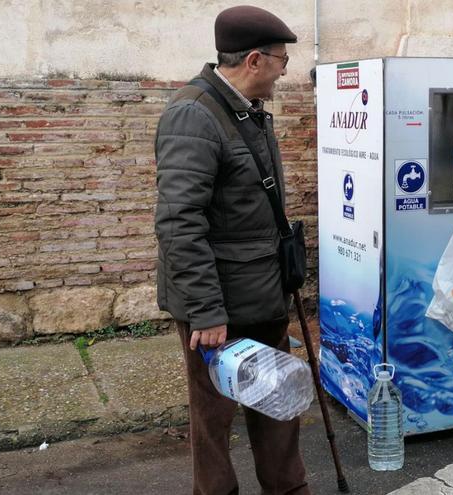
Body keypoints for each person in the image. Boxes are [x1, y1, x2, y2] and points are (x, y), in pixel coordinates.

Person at [154, 5, 310, 494]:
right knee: (214, 416)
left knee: (277, 401)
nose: (286, 71)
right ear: (257, 60)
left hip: (262, 292)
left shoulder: (247, 109)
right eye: (283, 60)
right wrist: (204, 312)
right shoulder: (193, 115)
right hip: (217, 305)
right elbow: (179, 224)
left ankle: (288, 489)